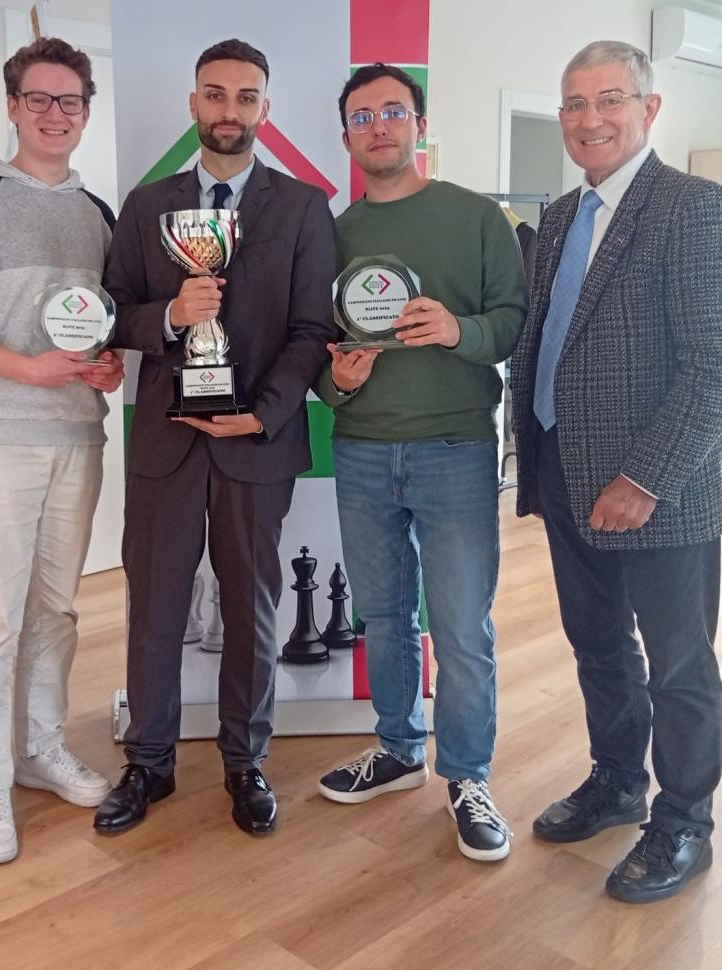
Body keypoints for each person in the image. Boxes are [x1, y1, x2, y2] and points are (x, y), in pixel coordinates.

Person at [94, 38, 336, 836]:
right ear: (194, 102)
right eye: (215, 93)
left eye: (246, 96)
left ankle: (245, 760)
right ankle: (148, 763)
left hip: (257, 440)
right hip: (165, 443)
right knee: (155, 609)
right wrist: (169, 316)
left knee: (251, 607)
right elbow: (113, 310)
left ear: (265, 108)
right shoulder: (146, 205)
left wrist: (263, 412)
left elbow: (313, 328)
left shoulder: (301, 207)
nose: (230, 110)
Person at [511, 40, 722, 903]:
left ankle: (684, 823)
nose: (589, 119)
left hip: (657, 493)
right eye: (573, 103)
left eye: (609, 100)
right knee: (597, 643)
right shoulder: (563, 214)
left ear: (648, 108)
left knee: (678, 665)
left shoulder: (694, 208)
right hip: (565, 470)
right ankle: (617, 780)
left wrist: (645, 478)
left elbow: (712, 367)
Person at [313, 63, 527, 863]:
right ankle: (399, 750)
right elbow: (311, 344)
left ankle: (467, 777)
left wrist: (458, 330)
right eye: (362, 116)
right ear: (346, 136)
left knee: (462, 627)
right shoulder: (332, 234)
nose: (378, 127)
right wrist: (336, 383)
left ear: (419, 124)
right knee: (384, 616)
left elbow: (514, 322)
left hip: (456, 449)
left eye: (393, 112)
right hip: (362, 449)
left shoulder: (477, 217)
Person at [0, 37, 123, 865]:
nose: (54, 114)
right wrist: (30, 370)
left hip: (77, 436)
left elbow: (105, 329)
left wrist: (106, 366)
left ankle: (39, 749)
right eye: (38, 99)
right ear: (12, 106)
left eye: (69, 100)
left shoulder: (101, 214)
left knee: (56, 610)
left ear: (86, 111)